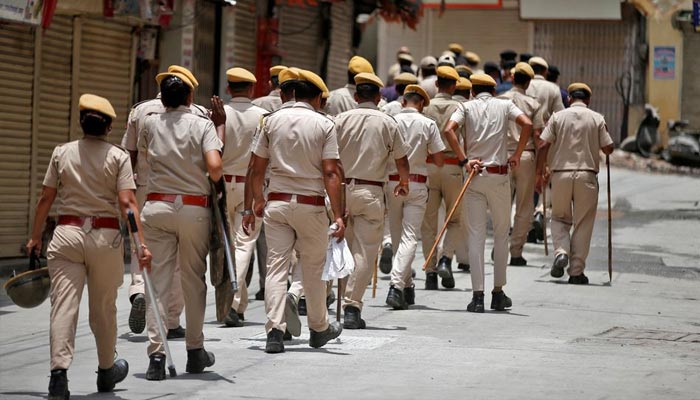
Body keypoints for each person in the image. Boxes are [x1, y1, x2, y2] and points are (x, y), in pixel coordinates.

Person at [27, 94, 151, 398]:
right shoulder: (118, 156)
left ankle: (58, 376)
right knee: (104, 310)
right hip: (104, 238)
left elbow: (46, 198)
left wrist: (34, 237)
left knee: (63, 308)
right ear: (108, 127)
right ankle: (107, 371)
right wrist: (141, 245)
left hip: (66, 235)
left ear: (81, 122)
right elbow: (127, 203)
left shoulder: (62, 152)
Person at [244, 69, 345, 353]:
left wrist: (257, 200)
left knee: (275, 268)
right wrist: (338, 214)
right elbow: (331, 172)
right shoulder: (324, 124)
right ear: (315, 97)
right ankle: (318, 329)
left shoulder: (270, 121)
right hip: (310, 205)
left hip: (275, 203)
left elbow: (256, 167)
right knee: (313, 270)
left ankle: (274, 332)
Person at [139, 71, 225, 379]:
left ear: (162, 99)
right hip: (193, 209)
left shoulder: (149, 123)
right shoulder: (202, 125)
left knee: (158, 284)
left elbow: (146, 157)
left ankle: (157, 357)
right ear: (190, 98)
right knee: (193, 280)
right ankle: (194, 351)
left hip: (157, 206)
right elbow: (215, 169)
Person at [122, 65, 204, 339]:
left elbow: (128, 153)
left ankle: (138, 290)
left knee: (140, 243)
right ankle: (170, 319)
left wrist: (125, 189)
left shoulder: (140, 111)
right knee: (177, 257)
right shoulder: (197, 114)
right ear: (188, 92)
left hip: (144, 187)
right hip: (181, 192)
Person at [443, 73, 533, 313]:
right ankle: (498, 292)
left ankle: (478, 296)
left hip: (474, 175)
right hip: (499, 175)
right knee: (502, 234)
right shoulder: (505, 105)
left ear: (472, 90)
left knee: (476, 236)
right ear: (493, 91)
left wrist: (464, 160)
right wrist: (517, 154)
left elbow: (449, 129)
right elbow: (528, 124)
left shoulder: (466, 106)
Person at [334, 72, 411, 329]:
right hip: (371, 192)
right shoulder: (388, 122)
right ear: (379, 97)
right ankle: (352, 307)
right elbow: (401, 160)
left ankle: (322, 299)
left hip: (340, 191)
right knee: (364, 252)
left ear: (356, 97)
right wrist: (404, 182)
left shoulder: (340, 120)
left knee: (337, 247)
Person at [536, 83, 614, 284]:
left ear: (569, 99)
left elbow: (543, 143)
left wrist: (539, 171)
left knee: (560, 217)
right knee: (583, 222)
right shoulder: (597, 118)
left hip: (560, 175)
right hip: (587, 176)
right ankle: (576, 271)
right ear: (588, 100)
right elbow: (608, 148)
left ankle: (561, 251)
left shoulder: (557, 117)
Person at [384, 85, 445, 310]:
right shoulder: (428, 124)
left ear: (403, 102)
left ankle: (407, 288)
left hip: (391, 182)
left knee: (398, 238)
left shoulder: (390, 121)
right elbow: (439, 161)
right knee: (410, 238)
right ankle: (397, 285)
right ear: (421, 104)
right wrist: (423, 153)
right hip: (417, 183)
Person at [220, 67, 268, 328]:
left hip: (222, 185)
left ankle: (238, 305)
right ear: (251, 90)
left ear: (229, 89)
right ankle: (233, 301)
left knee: (229, 245)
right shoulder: (263, 116)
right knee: (244, 245)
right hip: (251, 187)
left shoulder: (218, 114)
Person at [421, 65, 465, 289]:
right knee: (454, 219)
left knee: (428, 224)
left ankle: (430, 272)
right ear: (455, 85)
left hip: (429, 168)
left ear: (437, 84)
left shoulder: (426, 107)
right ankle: (446, 258)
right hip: (452, 167)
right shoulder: (459, 107)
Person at [498, 62, 545, 266]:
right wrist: (542, 169)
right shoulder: (533, 104)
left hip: (501, 156)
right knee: (524, 206)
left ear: (513, 78)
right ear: (528, 82)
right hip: (525, 156)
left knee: (501, 205)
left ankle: (499, 247)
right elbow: (539, 138)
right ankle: (516, 252)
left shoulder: (500, 100)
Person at [527, 57, 565, 122]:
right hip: (545, 129)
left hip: (523, 127)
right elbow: (559, 113)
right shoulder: (553, 87)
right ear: (545, 71)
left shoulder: (524, 85)